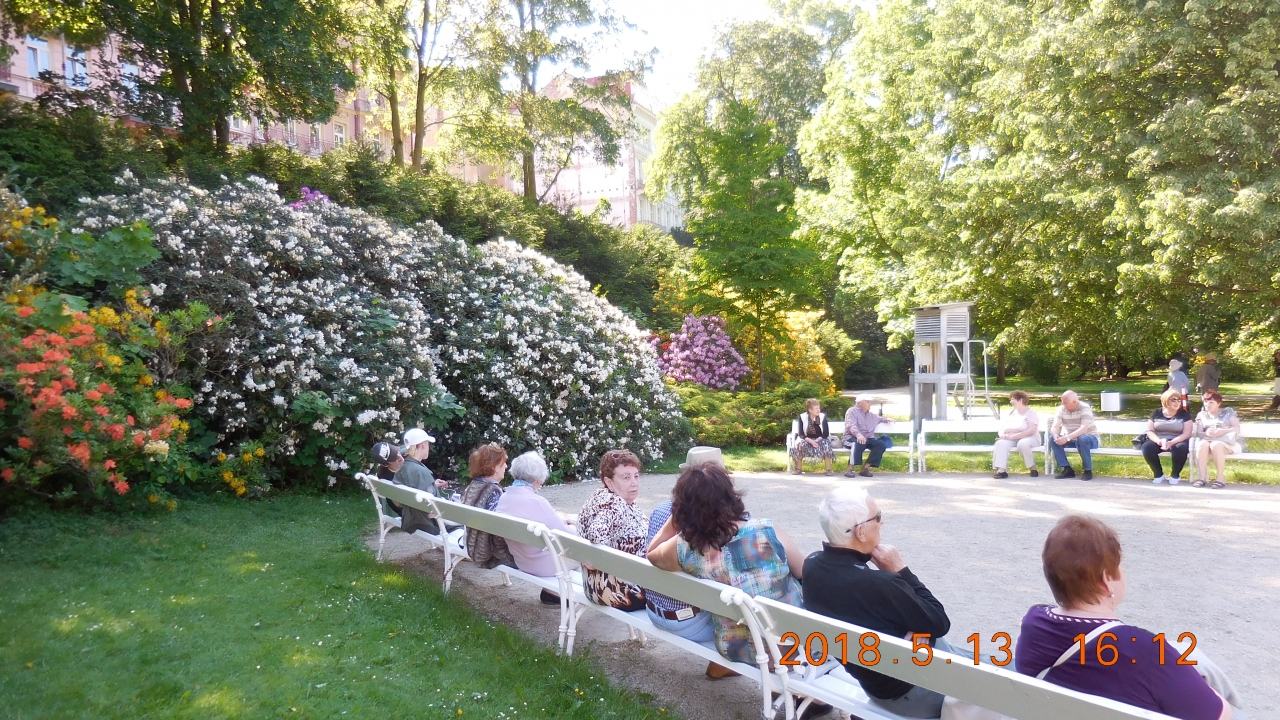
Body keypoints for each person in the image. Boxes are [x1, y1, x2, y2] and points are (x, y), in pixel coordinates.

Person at [1015, 515, 1238, 720]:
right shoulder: (1145, 650)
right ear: (1106, 581)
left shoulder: (1034, 622)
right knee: (1201, 668)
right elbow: (1218, 716)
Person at [803, 486, 951, 718]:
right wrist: (901, 570)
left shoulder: (811, 565)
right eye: (878, 516)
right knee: (1004, 669)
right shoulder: (881, 584)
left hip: (874, 686)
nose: (882, 522)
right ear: (860, 531)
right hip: (916, 692)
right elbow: (940, 621)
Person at [648, 462, 805, 667]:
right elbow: (804, 572)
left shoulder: (685, 548)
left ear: (684, 508)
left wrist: (675, 519)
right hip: (796, 649)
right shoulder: (766, 530)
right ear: (730, 496)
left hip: (736, 648)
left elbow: (652, 553)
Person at [641, 448, 720, 671]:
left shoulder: (661, 509)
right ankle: (724, 662)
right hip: (689, 622)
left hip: (653, 609)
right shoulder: (715, 522)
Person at [495, 450, 574, 605]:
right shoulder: (537, 502)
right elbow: (565, 535)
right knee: (585, 549)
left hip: (522, 561)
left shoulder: (505, 497)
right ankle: (557, 593)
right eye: (540, 481)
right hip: (543, 565)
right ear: (537, 480)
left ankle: (552, 593)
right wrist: (575, 527)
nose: (541, 484)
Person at [577, 449, 648, 611]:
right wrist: (597, 560)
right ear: (609, 482)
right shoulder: (615, 504)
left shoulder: (602, 496)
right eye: (626, 477)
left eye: (636, 476)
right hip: (618, 592)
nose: (634, 483)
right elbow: (596, 534)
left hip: (595, 587)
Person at [459, 443, 516, 569]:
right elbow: (499, 530)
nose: (506, 466)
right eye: (503, 463)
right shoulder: (493, 491)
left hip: (472, 547)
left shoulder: (472, 486)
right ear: (494, 467)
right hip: (488, 553)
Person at [393, 428, 449, 535]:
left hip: (411, 519)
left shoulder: (402, 468)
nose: (428, 447)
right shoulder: (421, 471)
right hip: (431, 524)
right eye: (428, 444)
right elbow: (433, 507)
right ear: (423, 445)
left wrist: (433, 484)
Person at [1193, 390, 1242, 490]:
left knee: (1215, 445)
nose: (1207, 405)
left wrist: (1222, 431)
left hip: (1227, 443)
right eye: (1206, 402)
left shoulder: (1227, 413)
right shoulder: (1202, 415)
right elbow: (1199, 433)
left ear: (1218, 403)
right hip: (1208, 442)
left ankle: (1220, 478)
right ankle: (1202, 477)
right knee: (1202, 445)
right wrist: (1206, 433)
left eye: (1211, 402)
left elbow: (1237, 428)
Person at [1144, 389, 1192, 485]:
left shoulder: (1184, 414)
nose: (1177, 403)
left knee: (1181, 448)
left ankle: (1175, 475)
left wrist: (1172, 442)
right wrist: (1158, 441)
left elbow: (1186, 433)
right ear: (1166, 401)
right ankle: (1158, 474)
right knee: (1147, 447)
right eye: (1173, 400)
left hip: (1177, 440)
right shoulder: (1156, 412)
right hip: (1159, 440)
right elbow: (1150, 431)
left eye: (1179, 400)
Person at [1048, 391, 1099, 481]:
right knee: (1052, 439)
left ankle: (1088, 471)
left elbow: (1084, 429)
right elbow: (1054, 427)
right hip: (1072, 439)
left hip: (1090, 438)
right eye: (1062, 402)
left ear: (1074, 402)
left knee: (1082, 438)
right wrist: (1055, 435)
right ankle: (1067, 469)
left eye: (1065, 403)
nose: (1063, 405)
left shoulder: (1084, 408)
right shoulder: (1061, 409)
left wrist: (1067, 438)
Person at [992, 390, 1041, 479]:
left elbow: (1031, 430)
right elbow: (1002, 427)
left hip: (1030, 438)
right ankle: (1001, 471)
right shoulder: (1011, 413)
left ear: (1020, 400)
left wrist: (1013, 436)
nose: (1011, 401)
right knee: (1000, 443)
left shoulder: (1031, 413)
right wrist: (1003, 435)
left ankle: (1032, 468)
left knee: (1022, 444)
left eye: (1013, 399)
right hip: (1011, 438)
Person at [844, 396, 893, 478]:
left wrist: (887, 419)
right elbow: (851, 425)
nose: (870, 404)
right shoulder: (851, 411)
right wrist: (858, 435)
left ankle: (865, 469)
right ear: (860, 403)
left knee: (880, 444)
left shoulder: (871, 415)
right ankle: (849, 470)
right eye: (867, 402)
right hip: (850, 438)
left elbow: (880, 418)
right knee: (858, 443)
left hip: (867, 439)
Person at [791, 398, 834, 475]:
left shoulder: (822, 417)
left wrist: (816, 441)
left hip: (820, 438)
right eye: (816, 408)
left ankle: (828, 469)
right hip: (806, 439)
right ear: (810, 410)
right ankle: (798, 469)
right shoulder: (802, 417)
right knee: (799, 445)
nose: (818, 410)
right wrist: (810, 441)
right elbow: (801, 433)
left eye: (819, 408)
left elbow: (826, 433)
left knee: (826, 444)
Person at [370, 441, 405, 516]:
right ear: (385, 465)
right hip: (410, 512)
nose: (399, 456)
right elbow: (399, 505)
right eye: (394, 457)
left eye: (396, 452)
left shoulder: (405, 460)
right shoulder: (387, 479)